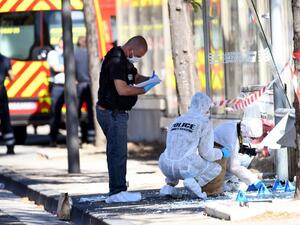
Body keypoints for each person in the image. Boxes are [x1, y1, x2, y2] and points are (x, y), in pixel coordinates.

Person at [96, 35, 161, 203]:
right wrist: (143, 90)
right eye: (138, 55)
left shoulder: (124, 61)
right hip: (112, 113)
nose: (138, 59)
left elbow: (135, 77)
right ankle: (117, 192)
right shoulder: (116, 60)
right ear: (131, 49)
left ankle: (118, 189)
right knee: (117, 153)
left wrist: (151, 80)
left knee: (117, 151)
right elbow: (122, 90)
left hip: (115, 112)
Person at [158, 92, 231, 199]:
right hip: (186, 166)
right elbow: (207, 154)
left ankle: (168, 187)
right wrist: (221, 153)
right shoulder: (204, 123)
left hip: (165, 164)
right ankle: (193, 183)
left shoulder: (176, 120)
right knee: (215, 169)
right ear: (206, 107)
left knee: (176, 160)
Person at [213, 118, 266, 191]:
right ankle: (221, 182)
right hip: (213, 161)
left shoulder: (237, 127)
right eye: (252, 138)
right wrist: (254, 181)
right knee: (237, 162)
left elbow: (236, 145)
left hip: (219, 152)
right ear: (246, 132)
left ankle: (231, 180)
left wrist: (247, 150)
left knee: (245, 157)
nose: (253, 140)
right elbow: (234, 167)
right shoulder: (231, 136)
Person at [74, 36, 95, 144]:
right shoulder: (90, 53)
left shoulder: (75, 54)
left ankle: (77, 136)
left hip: (79, 85)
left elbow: (72, 70)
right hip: (90, 86)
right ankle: (91, 137)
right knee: (91, 111)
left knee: (76, 111)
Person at [47, 38, 65, 147]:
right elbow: (56, 67)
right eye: (62, 42)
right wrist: (70, 66)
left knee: (75, 112)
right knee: (55, 113)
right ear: (59, 42)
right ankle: (53, 139)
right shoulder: (53, 53)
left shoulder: (71, 51)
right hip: (58, 86)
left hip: (70, 86)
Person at [0, 53, 15, 154]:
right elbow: (12, 77)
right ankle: (10, 146)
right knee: (5, 118)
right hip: (1, 91)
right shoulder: (4, 59)